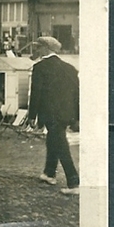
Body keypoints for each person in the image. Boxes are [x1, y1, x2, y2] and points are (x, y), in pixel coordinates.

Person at [28, 36, 80, 195]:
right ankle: (49, 173)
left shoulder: (40, 67)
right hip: (66, 114)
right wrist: (77, 117)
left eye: (38, 47)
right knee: (53, 140)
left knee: (60, 145)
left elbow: (36, 94)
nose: (36, 50)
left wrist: (32, 116)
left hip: (50, 113)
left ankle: (74, 182)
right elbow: (77, 95)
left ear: (46, 48)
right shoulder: (70, 68)